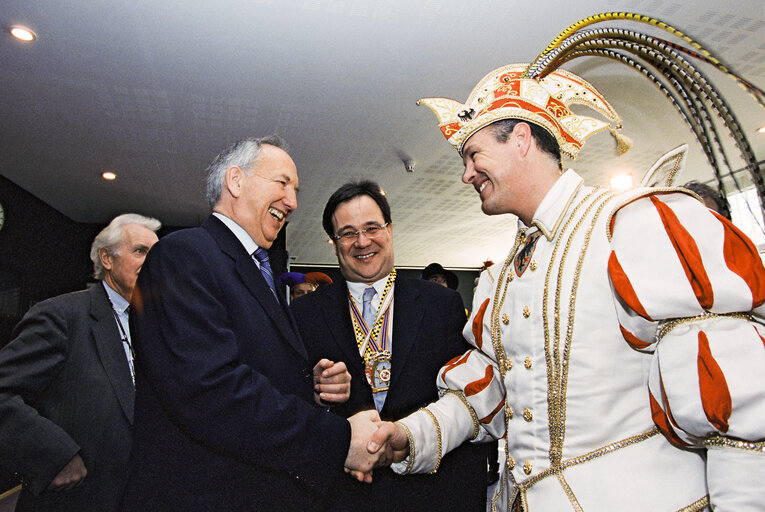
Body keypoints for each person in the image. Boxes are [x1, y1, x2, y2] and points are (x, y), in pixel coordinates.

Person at [370, 63, 765, 511]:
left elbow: (740, 408)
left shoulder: (633, 223)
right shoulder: (499, 279)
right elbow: (490, 390)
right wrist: (407, 437)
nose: (466, 175)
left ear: (521, 139)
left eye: (473, 154)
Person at [119, 137, 388, 512]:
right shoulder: (184, 254)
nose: (293, 202)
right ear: (236, 181)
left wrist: (309, 386)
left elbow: (248, 367)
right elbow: (211, 391)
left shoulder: (256, 269)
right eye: (282, 183)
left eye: (295, 190)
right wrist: (340, 440)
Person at [290, 180, 487, 511]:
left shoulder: (442, 305)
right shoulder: (304, 313)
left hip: (426, 490)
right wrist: (311, 386)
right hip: (342, 492)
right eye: (348, 233)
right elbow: (283, 397)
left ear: (390, 230)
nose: (362, 241)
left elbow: (465, 401)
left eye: (371, 228)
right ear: (334, 242)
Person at [0, 213, 160, 512]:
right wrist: (53, 455)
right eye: (140, 251)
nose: (153, 262)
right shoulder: (62, 315)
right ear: (106, 259)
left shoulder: (156, 327)